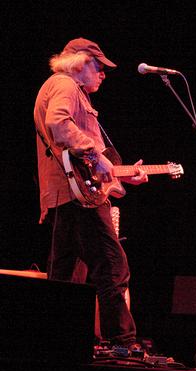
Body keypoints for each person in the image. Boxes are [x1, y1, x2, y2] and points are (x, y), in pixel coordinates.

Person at [33, 38, 148, 348]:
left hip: (64, 195)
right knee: (112, 265)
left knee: (64, 276)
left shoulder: (56, 86)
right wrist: (96, 156)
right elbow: (58, 123)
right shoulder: (67, 85)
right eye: (99, 67)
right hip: (80, 198)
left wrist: (121, 175)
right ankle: (122, 342)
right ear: (80, 62)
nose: (103, 74)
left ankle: (55, 344)